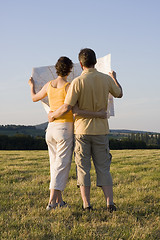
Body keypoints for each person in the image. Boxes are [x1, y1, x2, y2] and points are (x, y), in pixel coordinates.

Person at [48, 49, 123, 212]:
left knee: (83, 169)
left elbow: (68, 106)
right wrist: (114, 78)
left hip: (82, 131)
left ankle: (86, 205)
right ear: (95, 62)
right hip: (101, 131)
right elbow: (119, 94)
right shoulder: (105, 79)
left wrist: (53, 115)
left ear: (80, 64)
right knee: (103, 167)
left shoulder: (76, 82)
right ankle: (110, 203)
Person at [28, 56, 107, 211]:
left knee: (54, 165)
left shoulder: (49, 85)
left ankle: (59, 201)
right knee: (62, 166)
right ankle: (51, 202)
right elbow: (68, 107)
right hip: (64, 128)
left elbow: (34, 98)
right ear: (70, 70)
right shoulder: (70, 86)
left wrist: (31, 85)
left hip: (50, 130)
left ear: (56, 69)